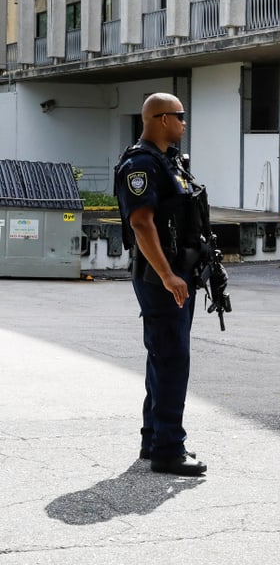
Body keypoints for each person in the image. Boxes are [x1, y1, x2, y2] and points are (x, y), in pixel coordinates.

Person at [114, 93, 208, 477]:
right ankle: (169, 450)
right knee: (172, 359)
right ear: (160, 118)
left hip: (175, 273)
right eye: (180, 116)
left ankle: (154, 438)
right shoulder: (141, 164)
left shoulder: (169, 162)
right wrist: (169, 276)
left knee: (163, 356)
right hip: (160, 276)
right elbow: (141, 223)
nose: (184, 123)